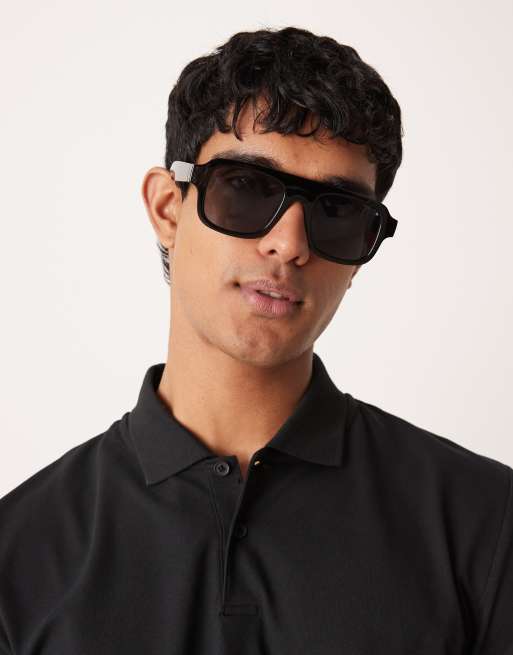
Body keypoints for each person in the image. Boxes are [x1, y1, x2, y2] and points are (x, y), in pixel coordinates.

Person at [1, 25, 511, 655]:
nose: (289, 245)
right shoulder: (20, 554)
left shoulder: (485, 523)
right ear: (167, 208)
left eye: (337, 212)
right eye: (246, 188)